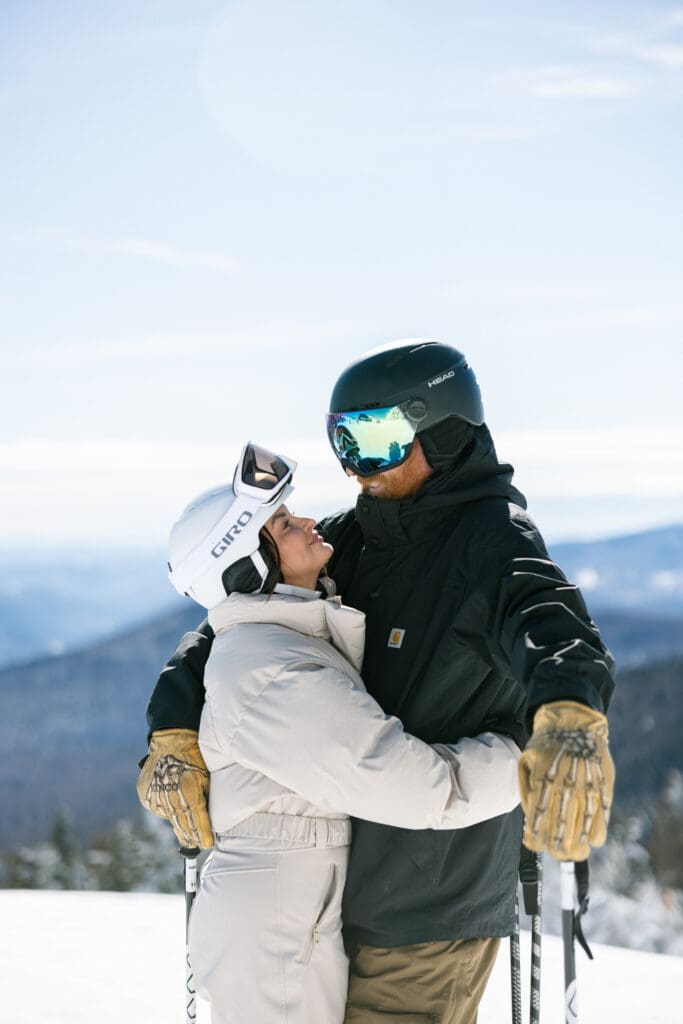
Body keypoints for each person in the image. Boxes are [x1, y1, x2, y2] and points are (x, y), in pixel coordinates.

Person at [138, 340, 616, 1024]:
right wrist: (173, 723)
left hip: (428, 908)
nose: (355, 466)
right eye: (344, 440)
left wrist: (569, 710)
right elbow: (234, 622)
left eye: (378, 439)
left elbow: (553, 623)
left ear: (443, 431)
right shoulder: (360, 538)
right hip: (347, 901)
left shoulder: (491, 543)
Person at [143, 441, 520, 1024]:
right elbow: (417, 786)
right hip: (276, 925)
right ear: (251, 567)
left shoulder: (284, 639)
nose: (311, 523)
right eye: (286, 525)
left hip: (287, 910)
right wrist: (528, 763)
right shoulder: (275, 673)